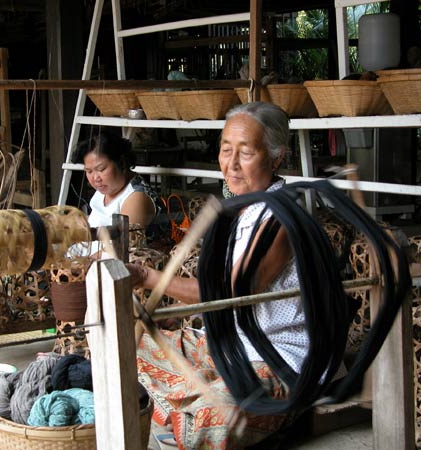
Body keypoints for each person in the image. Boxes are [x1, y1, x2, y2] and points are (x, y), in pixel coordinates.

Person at [127, 101, 308, 449]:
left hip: (274, 358)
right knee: (123, 349)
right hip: (227, 345)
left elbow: (230, 292)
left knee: (216, 418)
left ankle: (188, 409)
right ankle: (189, 403)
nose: (232, 165)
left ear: (276, 157)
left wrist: (149, 277)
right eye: (226, 150)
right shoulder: (242, 207)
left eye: (246, 152)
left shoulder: (280, 218)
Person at [72, 129, 170, 253]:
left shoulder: (136, 197)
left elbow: (122, 249)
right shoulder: (106, 188)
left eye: (101, 169)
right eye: (89, 171)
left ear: (122, 163)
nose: (95, 178)